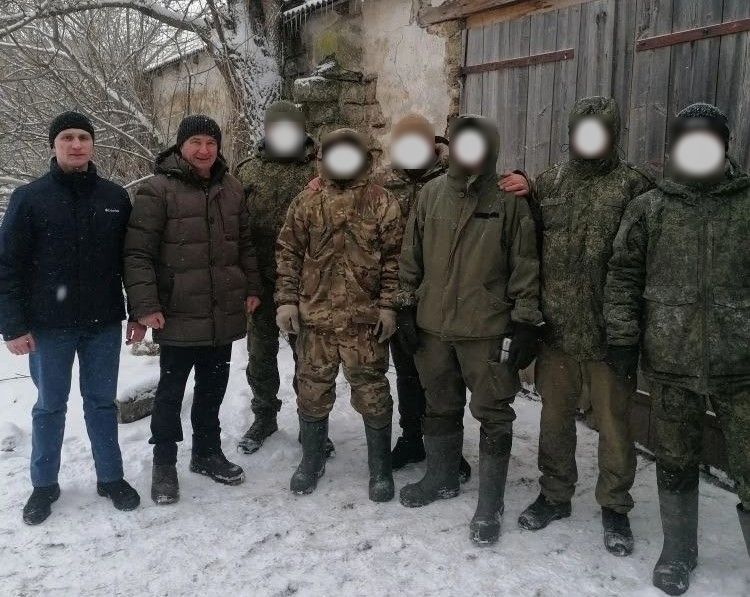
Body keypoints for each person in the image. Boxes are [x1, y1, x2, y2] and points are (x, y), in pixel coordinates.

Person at [605, 102, 750, 594]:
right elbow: (623, 276)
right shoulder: (651, 208)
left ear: (725, 147)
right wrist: (622, 337)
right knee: (675, 459)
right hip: (670, 359)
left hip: (742, 365)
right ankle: (679, 549)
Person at [517, 97, 654, 556]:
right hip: (557, 329)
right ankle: (555, 493)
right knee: (554, 419)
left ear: (613, 135)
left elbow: (644, 263)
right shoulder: (548, 183)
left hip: (609, 334)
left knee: (614, 424)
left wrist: (630, 331)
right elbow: (527, 249)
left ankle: (614, 504)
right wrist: (529, 317)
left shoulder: (634, 187)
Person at [397, 114, 543, 546]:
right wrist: (405, 305)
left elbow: (525, 265)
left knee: (493, 412)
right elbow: (410, 256)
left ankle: (490, 502)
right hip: (434, 327)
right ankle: (441, 476)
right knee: (439, 404)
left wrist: (525, 320)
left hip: (486, 329)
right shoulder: (430, 194)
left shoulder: (508, 201)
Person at [0, 111, 142, 525]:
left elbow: (131, 262)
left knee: (101, 403)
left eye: (83, 137)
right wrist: (13, 326)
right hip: (48, 327)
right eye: (67, 137)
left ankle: (111, 477)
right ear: (54, 145)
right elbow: (7, 265)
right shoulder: (30, 198)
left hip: (103, 324)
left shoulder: (114, 198)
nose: (76, 144)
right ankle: (44, 485)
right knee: (49, 406)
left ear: (93, 144)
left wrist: (137, 312)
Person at [124, 115, 262, 505]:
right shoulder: (157, 190)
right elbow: (137, 254)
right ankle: (164, 463)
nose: (204, 150)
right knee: (170, 393)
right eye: (196, 142)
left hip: (222, 309)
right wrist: (145, 306)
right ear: (181, 146)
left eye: (211, 143)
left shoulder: (232, 188)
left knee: (213, 387)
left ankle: (206, 452)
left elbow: (245, 244)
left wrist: (252, 286)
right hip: (177, 310)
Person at [275, 128, 402, 501]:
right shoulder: (306, 202)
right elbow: (288, 253)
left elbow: (395, 260)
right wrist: (286, 300)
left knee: (373, 392)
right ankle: (312, 460)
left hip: (365, 322)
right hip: (316, 319)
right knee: (312, 390)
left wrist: (389, 306)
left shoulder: (382, 202)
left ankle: (380, 469)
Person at [235, 101, 333, 457]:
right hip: (259, 281)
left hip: (308, 284)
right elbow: (235, 227)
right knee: (260, 355)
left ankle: (312, 422)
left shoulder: (321, 168)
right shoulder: (247, 171)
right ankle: (264, 415)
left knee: (308, 360)